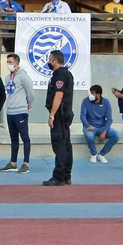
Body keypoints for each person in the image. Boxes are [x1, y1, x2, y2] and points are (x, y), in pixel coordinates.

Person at [39, 50, 75, 186]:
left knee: (59, 145)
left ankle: (59, 176)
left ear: (55, 61)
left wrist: (52, 115)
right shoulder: (68, 74)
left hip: (59, 114)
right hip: (66, 113)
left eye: (50, 59)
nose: (49, 62)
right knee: (66, 145)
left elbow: (58, 96)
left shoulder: (60, 75)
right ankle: (66, 175)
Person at [0, 53, 34, 173]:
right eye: (7, 62)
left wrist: (29, 103)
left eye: (10, 62)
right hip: (10, 112)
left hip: (21, 111)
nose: (8, 64)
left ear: (17, 63)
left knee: (25, 137)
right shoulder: (7, 78)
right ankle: (13, 163)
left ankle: (26, 163)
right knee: (13, 138)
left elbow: (31, 92)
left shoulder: (23, 76)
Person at [79, 85, 119, 163]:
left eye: (93, 93)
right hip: (90, 126)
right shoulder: (85, 101)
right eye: (91, 93)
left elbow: (109, 119)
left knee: (116, 135)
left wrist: (104, 132)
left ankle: (102, 154)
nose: (91, 95)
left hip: (102, 126)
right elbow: (82, 115)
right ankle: (94, 154)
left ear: (99, 94)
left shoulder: (106, 102)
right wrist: (87, 125)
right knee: (89, 136)